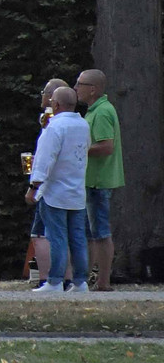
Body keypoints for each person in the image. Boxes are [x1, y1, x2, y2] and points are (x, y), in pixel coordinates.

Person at [28, 84, 91, 294]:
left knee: (57, 237)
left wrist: (34, 186)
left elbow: (45, 160)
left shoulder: (54, 128)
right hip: (76, 190)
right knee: (78, 237)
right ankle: (81, 281)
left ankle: (55, 281)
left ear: (55, 104)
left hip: (55, 190)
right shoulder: (83, 125)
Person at [76, 69, 123, 291]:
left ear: (92, 89)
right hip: (92, 180)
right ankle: (86, 278)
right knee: (91, 233)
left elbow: (106, 146)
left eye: (80, 84)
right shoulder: (93, 111)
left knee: (101, 232)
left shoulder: (102, 112)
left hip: (99, 181)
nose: (76, 89)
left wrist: (78, 149)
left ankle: (104, 281)